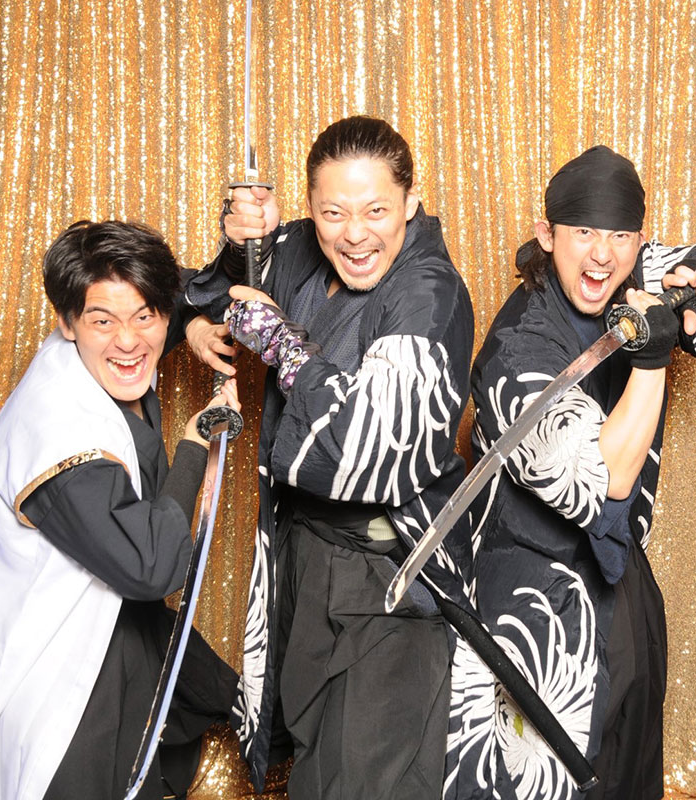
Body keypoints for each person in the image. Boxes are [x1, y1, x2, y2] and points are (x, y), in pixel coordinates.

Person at [183, 115, 486, 798]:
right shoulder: (300, 249)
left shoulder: (429, 292)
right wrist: (240, 250)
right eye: (333, 213)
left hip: (391, 574)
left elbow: (375, 447)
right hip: (306, 554)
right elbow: (210, 291)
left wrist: (283, 345)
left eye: (376, 210)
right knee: (316, 763)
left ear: (410, 203)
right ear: (311, 210)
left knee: (366, 779)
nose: (354, 234)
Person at [467, 145, 696, 800]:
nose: (601, 255)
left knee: (629, 765)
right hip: (530, 590)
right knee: (545, 775)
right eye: (583, 231)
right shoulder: (515, 353)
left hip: (618, 572)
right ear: (547, 234)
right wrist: (652, 357)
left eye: (619, 236)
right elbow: (607, 477)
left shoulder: (634, 270)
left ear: (638, 241)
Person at [0, 220, 240, 800]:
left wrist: (196, 324)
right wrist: (195, 445)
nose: (128, 341)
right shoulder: (59, 436)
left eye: (146, 317)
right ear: (67, 321)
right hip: (57, 685)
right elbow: (152, 567)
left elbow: (175, 295)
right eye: (102, 321)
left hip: (113, 645)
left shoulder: (111, 347)